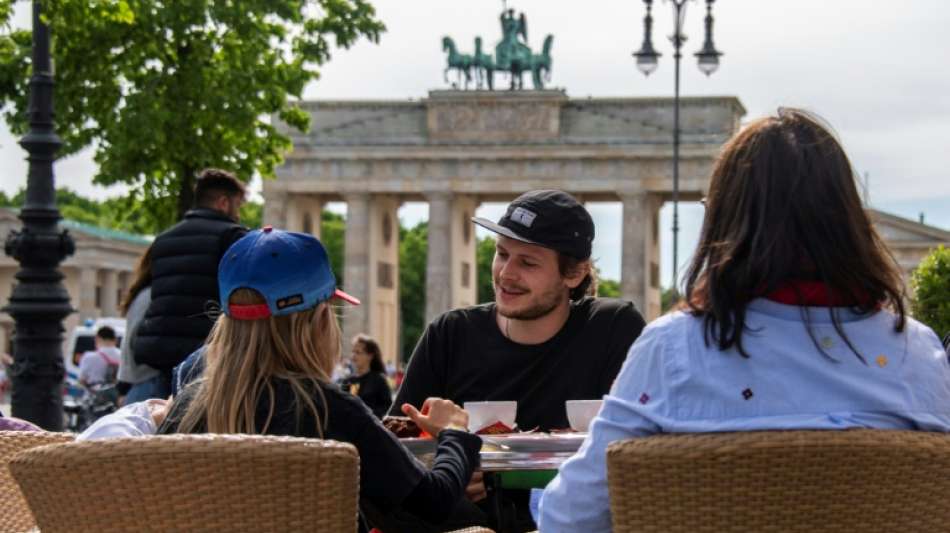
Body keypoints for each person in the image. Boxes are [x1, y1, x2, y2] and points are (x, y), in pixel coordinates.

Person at [538, 108, 950, 532]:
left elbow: (570, 518)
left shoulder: (673, 349)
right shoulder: (917, 354)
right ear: (849, 221)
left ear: (725, 220)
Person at [154, 227, 482, 533]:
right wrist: (455, 435)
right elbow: (434, 503)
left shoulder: (189, 405)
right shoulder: (330, 411)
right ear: (317, 321)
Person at [390, 189, 646, 532]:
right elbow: (393, 452)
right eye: (501, 254)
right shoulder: (449, 334)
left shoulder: (613, 329)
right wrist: (446, 469)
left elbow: (646, 450)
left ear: (574, 274)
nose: (505, 274)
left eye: (528, 262)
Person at [133, 168, 248, 399]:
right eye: (238, 205)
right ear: (223, 202)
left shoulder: (163, 240)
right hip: (207, 355)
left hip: (162, 355)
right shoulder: (232, 237)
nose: (238, 214)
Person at [117, 246, 160, 404]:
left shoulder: (141, 295)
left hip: (138, 384)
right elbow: (131, 342)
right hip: (148, 381)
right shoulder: (151, 296)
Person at [341, 334, 393, 418]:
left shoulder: (379, 380)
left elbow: (387, 408)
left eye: (358, 352)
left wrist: (367, 415)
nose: (353, 356)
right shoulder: (347, 381)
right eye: (353, 352)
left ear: (370, 356)